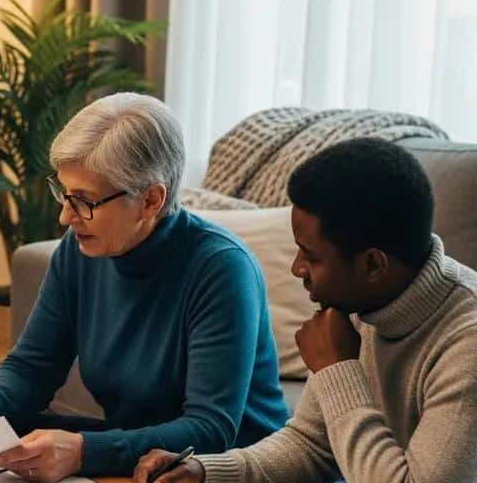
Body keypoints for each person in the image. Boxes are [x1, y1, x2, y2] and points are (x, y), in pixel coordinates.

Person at [0, 93, 289, 481]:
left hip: (223, 467)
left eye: (84, 201)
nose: (65, 216)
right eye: (64, 193)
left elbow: (211, 427)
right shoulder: (78, 251)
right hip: (140, 457)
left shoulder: (221, 268)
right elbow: (33, 366)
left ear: (151, 200)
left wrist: (84, 451)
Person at [133, 138, 477, 483]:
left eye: (310, 256)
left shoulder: (467, 346)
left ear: (373, 264)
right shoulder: (360, 305)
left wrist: (337, 370)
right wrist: (205, 471)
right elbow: (310, 445)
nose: (297, 269)